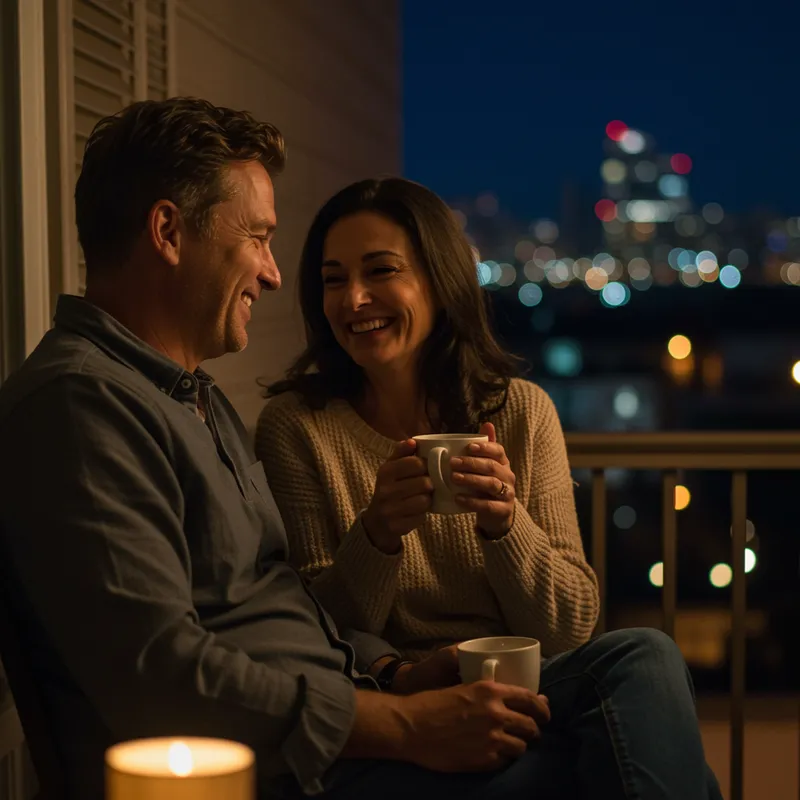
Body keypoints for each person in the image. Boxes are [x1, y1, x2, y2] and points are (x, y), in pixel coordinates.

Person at [255, 176, 723, 798]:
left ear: (439, 281)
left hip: (529, 685)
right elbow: (317, 632)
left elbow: (571, 629)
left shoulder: (521, 413)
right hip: (401, 708)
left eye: (381, 271)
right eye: (334, 279)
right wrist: (378, 533)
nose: (355, 298)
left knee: (645, 655)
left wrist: (506, 526)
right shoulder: (298, 427)